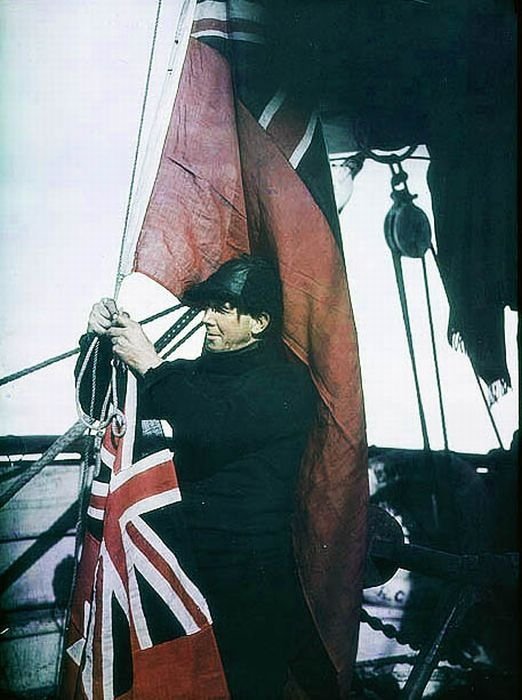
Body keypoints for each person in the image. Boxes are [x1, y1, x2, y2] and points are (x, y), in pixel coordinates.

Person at [77, 255, 338, 699]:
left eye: (222, 308)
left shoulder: (286, 385)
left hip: (252, 588)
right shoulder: (187, 377)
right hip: (185, 579)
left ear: (258, 322)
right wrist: (96, 339)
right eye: (208, 307)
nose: (208, 319)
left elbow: (213, 427)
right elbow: (100, 401)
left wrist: (152, 368)